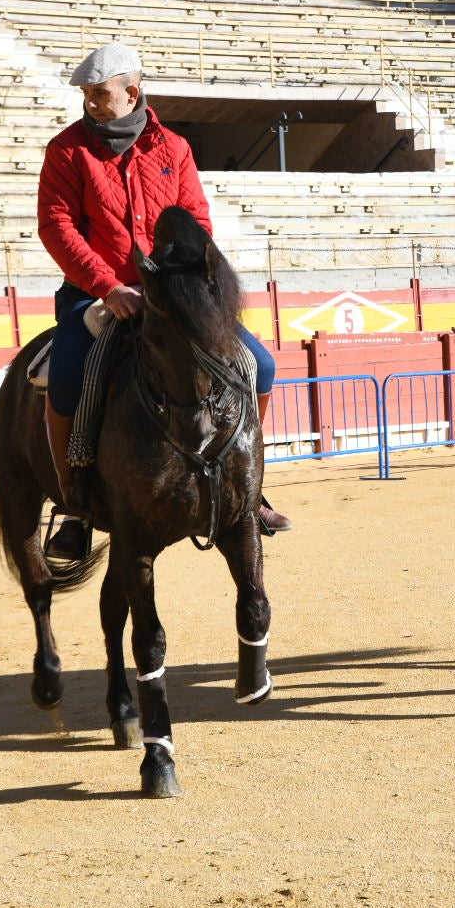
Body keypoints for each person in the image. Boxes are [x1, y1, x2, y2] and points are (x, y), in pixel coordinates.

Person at [38, 42, 291, 556]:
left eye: (99, 93)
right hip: (96, 294)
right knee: (65, 378)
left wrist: (175, 284)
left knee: (260, 367)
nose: (89, 102)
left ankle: (251, 482)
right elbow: (57, 226)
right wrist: (108, 285)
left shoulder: (173, 148)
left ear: (131, 92)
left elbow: (195, 220)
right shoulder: (66, 150)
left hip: (171, 295)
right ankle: (75, 503)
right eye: (86, 94)